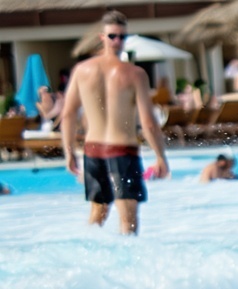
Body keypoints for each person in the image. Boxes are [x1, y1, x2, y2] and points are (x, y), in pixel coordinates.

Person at [61, 11, 170, 236]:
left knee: (98, 216)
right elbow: (148, 122)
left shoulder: (82, 71)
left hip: (93, 151)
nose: (118, 42)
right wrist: (161, 157)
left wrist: (69, 152)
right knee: (128, 220)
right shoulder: (135, 74)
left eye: (122, 37)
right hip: (122, 152)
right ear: (102, 37)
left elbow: (68, 114)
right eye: (113, 36)